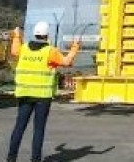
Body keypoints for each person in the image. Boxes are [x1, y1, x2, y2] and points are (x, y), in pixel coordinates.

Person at [6, 20, 81, 162]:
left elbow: (14, 51)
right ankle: (35, 159)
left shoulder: (24, 48)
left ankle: (11, 158)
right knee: (38, 130)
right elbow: (66, 62)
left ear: (34, 33)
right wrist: (74, 48)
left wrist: (17, 35)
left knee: (19, 127)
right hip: (42, 97)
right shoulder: (50, 51)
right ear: (47, 35)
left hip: (24, 94)